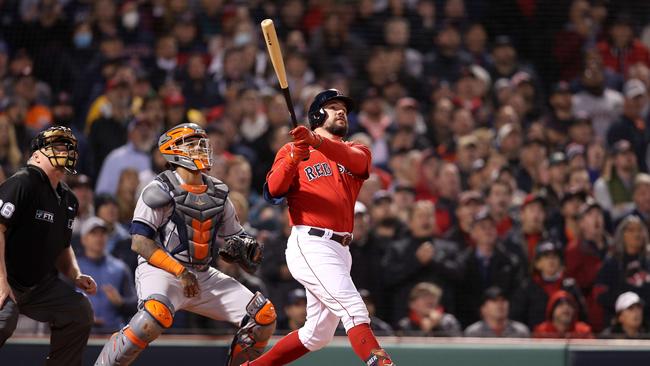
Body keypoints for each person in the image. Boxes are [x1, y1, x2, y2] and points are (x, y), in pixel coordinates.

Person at [94, 123, 276, 366]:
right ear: (172, 150)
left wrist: (246, 249)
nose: (201, 147)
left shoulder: (218, 191)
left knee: (263, 316)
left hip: (202, 272)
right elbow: (139, 243)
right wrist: (179, 272)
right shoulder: (159, 188)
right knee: (152, 318)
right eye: (192, 143)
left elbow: (235, 235)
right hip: (162, 270)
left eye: (202, 142)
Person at [256, 89, 396, 365]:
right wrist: (296, 155)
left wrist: (315, 141)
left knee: (317, 335)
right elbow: (272, 192)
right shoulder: (292, 149)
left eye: (344, 108)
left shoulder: (356, 148)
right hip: (310, 243)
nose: (341, 111)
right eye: (333, 106)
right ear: (317, 114)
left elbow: (359, 163)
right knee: (355, 310)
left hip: (342, 248)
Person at [0, 126, 97, 365]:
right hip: (6, 277)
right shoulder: (22, 183)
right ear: (35, 155)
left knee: (78, 311)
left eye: (67, 147)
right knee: (4, 319)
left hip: (39, 285)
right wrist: (1, 281)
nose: (64, 151)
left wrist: (74, 274)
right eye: (56, 146)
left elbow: (64, 246)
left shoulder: (69, 198)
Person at [76, 216, 137, 334]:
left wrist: (121, 303)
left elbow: (135, 305)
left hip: (114, 335)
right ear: (83, 239)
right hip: (80, 333)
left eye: (102, 233)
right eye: (93, 233)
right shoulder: (74, 269)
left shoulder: (120, 268)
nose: (99, 238)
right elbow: (59, 305)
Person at [397, 282, 462, 337]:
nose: (430, 300)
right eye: (424, 296)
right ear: (412, 304)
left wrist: (438, 325)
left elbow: (458, 346)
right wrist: (423, 331)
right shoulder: (405, 325)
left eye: (433, 296)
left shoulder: (449, 322)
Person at [464, 286, 530, 337]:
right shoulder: (473, 333)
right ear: (483, 308)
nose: (500, 304)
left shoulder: (521, 331)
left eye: (503, 300)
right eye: (494, 301)